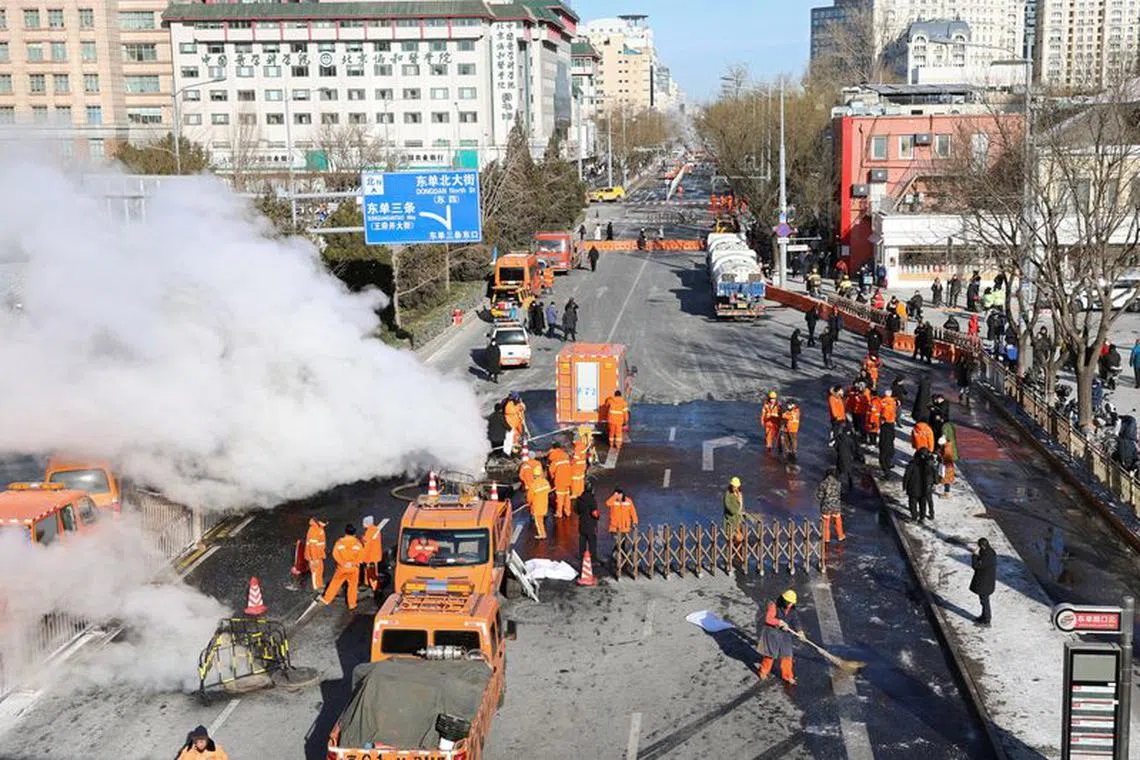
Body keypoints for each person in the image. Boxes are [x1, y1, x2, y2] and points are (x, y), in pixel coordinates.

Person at [756, 590, 802, 684]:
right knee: (770, 655)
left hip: (785, 634)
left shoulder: (792, 607)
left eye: (791, 603)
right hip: (772, 633)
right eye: (788, 603)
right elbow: (768, 619)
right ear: (784, 600)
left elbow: (795, 619)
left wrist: (800, 631)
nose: (790, 605)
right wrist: (779, 622)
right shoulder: (774, 605)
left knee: (787, 655)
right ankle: (763, 671)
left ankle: (788, 676)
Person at [321, 523, 364, 611]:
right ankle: (352, 604)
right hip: (353, 569)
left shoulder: (340, 542)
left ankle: (327, 599)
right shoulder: (358, 544)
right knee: (352, 586)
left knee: (335, 583)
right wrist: (352, 563)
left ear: (345, 532)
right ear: (354, 533)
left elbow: (335, 554)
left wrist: (343, 563)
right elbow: (361, 557)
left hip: (342, 568)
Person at [903, 449, 936, 522]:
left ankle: (914, 516)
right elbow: (933, 474)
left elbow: (907, 476)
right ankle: (922, 517)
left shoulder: (911, 465)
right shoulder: (928, 465)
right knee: (923, 503)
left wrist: (904, 486)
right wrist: (934, 483)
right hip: (924, 488)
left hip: (913, 488)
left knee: (912, 503)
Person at [969, 537, 996, 625]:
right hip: (987, 582)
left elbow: (976, 566)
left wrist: (974, 556)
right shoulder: (990, 552)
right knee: (984, 601)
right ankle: (984, 616)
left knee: (985, 602)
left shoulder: (986, 556)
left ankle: (987, 620)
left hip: (985, 583)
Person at [607, 487, 638, 563]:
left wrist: (635, 521)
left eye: (618, 494)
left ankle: (623, 556)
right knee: (617, 542)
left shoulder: (628, 501)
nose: (618, 496)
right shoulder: (613, 501)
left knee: (623, 543)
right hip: (614, 528)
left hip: (625, 527)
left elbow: (633, 512)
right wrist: (614, 497)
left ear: (622, 494)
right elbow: (607, 503)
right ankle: (617, 556)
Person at [816, 469, 845, 543]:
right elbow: (840, 493)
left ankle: (826, 538)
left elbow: (819, 496)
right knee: (838, 520)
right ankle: (840, 536)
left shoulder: (823, 483)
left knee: (826, 523)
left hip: (826, 506)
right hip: (836, 505)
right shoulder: (838, 483)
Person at [576, 481, 600, 567]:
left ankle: (582, 556)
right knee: (592, 541)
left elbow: (577, 511)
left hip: (582, 523)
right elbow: (595, 513)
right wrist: (598, 517)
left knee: (582, 540)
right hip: (591, 524)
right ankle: (593, 558)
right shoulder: (592, 500)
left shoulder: (579, 499)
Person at [548, 442, 572, 518]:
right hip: (568, 480)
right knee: (567, 497)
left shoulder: (555, 460)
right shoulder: (565, 457)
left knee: (560, 497)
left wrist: (553, 479)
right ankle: (568, 512)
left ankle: (559, 513)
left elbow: (551, 471)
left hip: (559, 481)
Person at [529, 459, 551, 539]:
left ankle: (542, 534)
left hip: (537, 506)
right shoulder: (545, 482)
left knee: (538, 521)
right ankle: (543, 533)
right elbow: (549, 490)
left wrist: (529, 503)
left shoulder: (533, 485)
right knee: (541, 520)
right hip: (544, 505)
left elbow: (530, 497)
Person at [360, 515, 383, 591]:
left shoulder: (369, 532)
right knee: (373, 572)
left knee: (371, 573)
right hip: (375, 555)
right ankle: (372, 586)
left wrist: (362, 558)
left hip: (370, 557)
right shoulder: (376, 529)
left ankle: (373, 587)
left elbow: (366, 546)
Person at [304, 518, 327, 591]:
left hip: (318, 555)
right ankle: (316, 588)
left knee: (320, 570)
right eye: (325, 522)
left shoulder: (319, 528)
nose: (326, 524)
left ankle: (320, 585)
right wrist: (314, 559)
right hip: (314, 556)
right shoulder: (314, 530)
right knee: (315, 571)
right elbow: (312, 546)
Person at [835, 425, 858, 492]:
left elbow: (836, 447)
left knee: (839, 471)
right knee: (849, 472)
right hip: (848, 458)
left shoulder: (839, 439)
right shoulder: (850, 440)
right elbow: (853, 449)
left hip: (840, 457)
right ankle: (851, 485)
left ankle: (837, 484)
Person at [878, 393, 897, 475]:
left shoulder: (883, 402)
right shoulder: (893, 402)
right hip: (889, 446)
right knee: (888, 455)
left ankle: (886, 471)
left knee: (883, 458)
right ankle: (888, 466)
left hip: (885, 446)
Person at [723, 476, 745, 543]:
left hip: (738, 519)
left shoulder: (739, 493)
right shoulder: (728, 494)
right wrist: (736, 510)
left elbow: (741, 505)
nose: (735, 488)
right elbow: (729, 507)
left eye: (736, 487)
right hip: (731, 520)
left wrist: (742, 514)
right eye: (733, 486)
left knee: (739, 538)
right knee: (732, 539)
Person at [938, 426, 958, 497]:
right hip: (948, 466)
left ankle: (947, 493)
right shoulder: (948, 445)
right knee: (947, 479)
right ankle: (947, 492)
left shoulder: (946, 449)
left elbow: (945, 458)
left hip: (947, 467)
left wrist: (940, 455)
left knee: (947, 480)